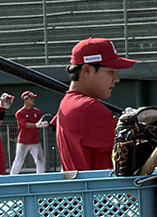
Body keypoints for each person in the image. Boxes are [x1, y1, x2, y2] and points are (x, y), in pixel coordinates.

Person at [54, 38, 134, 171]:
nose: (117, 79)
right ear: (87, 70)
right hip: (102, 184)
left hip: (89, 182)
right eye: (110, 72)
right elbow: (140, 147)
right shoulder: (87, 107)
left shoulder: (69, 104)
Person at [9, 91, 48, 175]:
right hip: (23, 141)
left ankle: (41, 178)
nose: (33, 100)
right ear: (25, 99)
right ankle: (12, 178)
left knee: (40, 160)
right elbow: (25, 124)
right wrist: (36, 125)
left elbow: (41, 121)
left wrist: (45, 123)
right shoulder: (20, 113)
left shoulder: (37, 111)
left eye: (33, 98)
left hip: (35, 141)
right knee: (19, 160)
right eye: (31, 98)